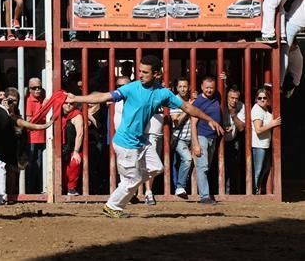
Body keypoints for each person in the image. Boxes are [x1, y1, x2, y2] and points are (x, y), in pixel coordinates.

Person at [66, 56, 224, 217]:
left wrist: (209, 119)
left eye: (145, 72)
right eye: (140, 71)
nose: (140, 75)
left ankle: (127, 184)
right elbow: (103, 97)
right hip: (125, 142)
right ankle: (112, 206)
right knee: (132, 180)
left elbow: (187, 107)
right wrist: (76, 98)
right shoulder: (131, 88)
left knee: (157, 168)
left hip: (141, 141)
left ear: (156, 74)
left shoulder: (163, 93)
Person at [191, 75, 222, 204]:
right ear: (202, 87)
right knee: (202, 166)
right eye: (207, 88)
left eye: (212, 88)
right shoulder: (198, 102)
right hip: (202, 136)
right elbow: (193, 123)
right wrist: (196, 144)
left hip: (213, 137)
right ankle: (204, 196)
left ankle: (205, 194)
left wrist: (223, 80)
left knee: (206, 166)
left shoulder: (216, 97)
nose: (209, 90)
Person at [251, 89, 281, 194]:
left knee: (265, 168)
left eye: (264, 97)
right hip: (258, 145)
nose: (262, 100)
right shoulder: (257, 110)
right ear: (256, 99)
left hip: (265, 144)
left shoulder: (264, 109)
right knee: (258, 171)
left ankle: (257, 189)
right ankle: (254, 192)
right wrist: (272, 124)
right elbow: (258, 130)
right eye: (260, 98)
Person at [170, 77, 193, 199]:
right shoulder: (175, 100)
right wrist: (189, 108)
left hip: (193, 138)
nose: (183, 89)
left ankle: (183, 188)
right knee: (186, 160)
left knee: (183, 163)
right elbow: (177, 121)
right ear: (176, 88)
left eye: (185, 86)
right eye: (180, 86)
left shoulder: (193, 99)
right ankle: (179, 187)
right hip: (179, 138)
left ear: (189, 87)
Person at [222, 85, 245, 194]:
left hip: (233, 140)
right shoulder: (220, 105)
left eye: (236, 98)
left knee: (233, 167)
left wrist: (233, 115)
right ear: (227, 97)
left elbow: (241, 128)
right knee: (218, 167)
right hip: (219, 139)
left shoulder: (241, 106)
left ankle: (231, 192)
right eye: (232, 98)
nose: (234, 101)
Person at [61, 101, 83, 196]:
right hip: (61, 147)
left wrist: (76, 151)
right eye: (66, 103)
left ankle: (71, 189)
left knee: (74, 163)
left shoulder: (77, 115)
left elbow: (80, 134)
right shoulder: (57, 114)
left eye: (71, 103)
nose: (68, 105)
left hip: (73, 147)